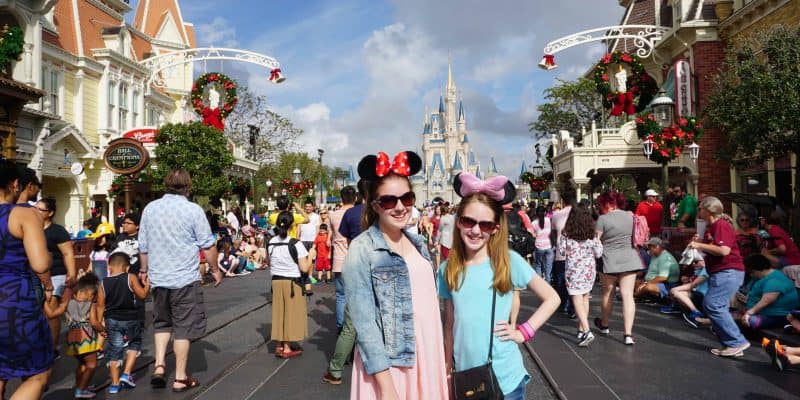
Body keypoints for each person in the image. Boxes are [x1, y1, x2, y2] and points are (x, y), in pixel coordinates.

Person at [440, 172, 559, 398]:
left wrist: (524, 331)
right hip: (465, 378)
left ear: (495, 228)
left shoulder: (507, 261)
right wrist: (447, 368)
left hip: (505, 377)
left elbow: (552, 298)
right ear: (458, 222)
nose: (476, 230)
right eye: (468, 221)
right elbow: (449, 323)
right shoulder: (448, 269)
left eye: (485, 225)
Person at [343, 150, 449, 399]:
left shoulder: (417, 242)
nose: (401, 207)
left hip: (426, 358)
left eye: (407, 198)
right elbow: (365, 322)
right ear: (375, 204)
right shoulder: (362, 248)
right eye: (390, 201)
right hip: (392, 368)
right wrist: (387, 387)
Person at [139, 169, 222, 391]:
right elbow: (208, 244)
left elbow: (144, 246)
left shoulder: (150, 209)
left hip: (159, 278)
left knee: (162, 323)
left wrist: (144, 270)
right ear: (187, 187)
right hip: (184, 278)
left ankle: (158, 366)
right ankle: (180, 377)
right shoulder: (192, 210)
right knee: (183, 328)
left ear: (166, 185)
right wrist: (215, 268)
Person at [0, 161, 54, 400]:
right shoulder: (23, 214)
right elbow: (40, 263)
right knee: (37, 373)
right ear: (14, 184)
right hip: (14, 302)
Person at [687, 196, 750, 357]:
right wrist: (700, 242)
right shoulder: (711, 228)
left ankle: (737, 342)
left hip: (728, 271)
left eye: (700, 208)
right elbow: (713, 248)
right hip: (720, 271)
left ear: (709, 210)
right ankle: (730, 344)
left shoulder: (721, 225)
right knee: (713, 305)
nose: (698, 211)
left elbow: (724, 251)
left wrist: (699, 245)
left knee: (713, 304)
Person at [322, 184, 366, 386]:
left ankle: (336, 369)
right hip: (377, 267)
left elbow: (347, 241)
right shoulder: (380, 211)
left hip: (350, 264)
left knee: (348, 319)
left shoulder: (346, 214)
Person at [95, 253, 149, 394]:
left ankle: (114, 384)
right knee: (134, 343)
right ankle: (126, 374)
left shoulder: (103, 283)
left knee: (115, 350)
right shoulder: (130, 277)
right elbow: (142, 295)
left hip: (111, 320)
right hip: (131, 317)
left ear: (109, 266)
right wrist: (148, 284)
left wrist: (100, 326)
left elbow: (100, 306)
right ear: (127, 267)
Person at [594, 191, 642, 345]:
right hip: (630, 259)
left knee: (607, 293)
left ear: (607, 203)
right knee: (628, 295)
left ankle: (605, 324)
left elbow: (596, 241)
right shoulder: (630, 216)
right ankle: (628, 334)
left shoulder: (603, 219)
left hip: (609, 260)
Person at [266, 211, 312, 358]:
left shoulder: (271, 242)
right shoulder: (295, 243)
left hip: (276, 281)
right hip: (292, 283)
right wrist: (311, 255)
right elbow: (304, 268)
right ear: (293, 224)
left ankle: (279, 345)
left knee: (279, 313)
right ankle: (287, 347)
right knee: (291, 314)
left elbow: (269, 262)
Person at [558, 206, 603, 347]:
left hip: (573, 270)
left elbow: (561, 251)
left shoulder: (565, 234)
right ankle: (581, 328)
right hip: (589, 270)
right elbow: (599, 253)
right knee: (585, 297)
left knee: (576, 298)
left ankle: (587, 331)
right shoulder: (592, 235)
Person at [36, 197, 78, 350]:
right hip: (35, 275)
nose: (37, 211)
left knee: (52, 309)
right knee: (39, 310)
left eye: (41, 209)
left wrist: (72, 274)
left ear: (50, 213)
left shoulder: (58, 231)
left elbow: (68, 253)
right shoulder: (31, 228)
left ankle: (52, 347)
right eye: (36, 208)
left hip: (56, 273)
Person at [62, 273, 103, 399]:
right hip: (85, 338)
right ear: (92, 295)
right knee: (92, 364)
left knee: (82, 364)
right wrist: (103, 330)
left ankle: (81, 385)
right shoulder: (91, 304)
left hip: (72, 338)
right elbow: (95, 322)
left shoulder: (69, 303)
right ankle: (80, 390)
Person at [735, 254, 799, 331]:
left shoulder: (775, 280)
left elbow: (765, 301)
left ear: (758, 269)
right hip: (760, 312)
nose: (751, 275)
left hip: (777, 315)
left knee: (750, 321)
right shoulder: (761, 278)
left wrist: (749, 313)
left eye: (751, 272)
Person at [329, 185, 356, 331]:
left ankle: (340, 326)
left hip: (338, 259)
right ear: (355, 198)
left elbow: (333, 234)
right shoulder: (357, 214)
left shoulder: (333, 215)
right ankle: (352, 326)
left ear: (341, 198)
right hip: (353, 259)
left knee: (340, 296)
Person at [551, 190, 576, 317]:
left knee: (561, 281)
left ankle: (564, 304)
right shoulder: (580, 214)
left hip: (561, 253)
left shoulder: (557, 215)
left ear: (563, 201)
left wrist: (557, 243)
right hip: (577, 254)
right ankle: (573, 306)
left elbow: (554, 233)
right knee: (574, 281)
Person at [532, 206, 554, 282]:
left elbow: (533, 235)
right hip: (549, 246)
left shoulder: (534, 223)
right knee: (548, 266)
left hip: (539, 246)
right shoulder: (549, 220)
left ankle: (540, 282)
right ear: (545, 213)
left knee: (538, 265)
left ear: (536, 213)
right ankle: (548, 283)